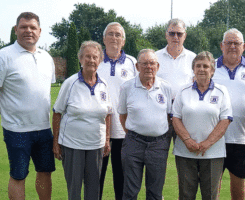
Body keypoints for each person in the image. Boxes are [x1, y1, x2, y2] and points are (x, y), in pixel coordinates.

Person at [0, 12, 55, 200]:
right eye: (23, 27)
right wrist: (5, 111)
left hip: (44, 128)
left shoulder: (47, 57)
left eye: (32, 27)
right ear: (16, 30)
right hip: (17, 130)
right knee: (18, 175)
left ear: (40, 31)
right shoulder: (3, 56)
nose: (28, 31)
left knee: (45, 172)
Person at [52, 41, 112, 200]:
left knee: (93, 190)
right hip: (72, 145)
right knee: (74, 189)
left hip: (96, 145)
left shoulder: (104, 84)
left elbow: (108, 114)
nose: (91, 60)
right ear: (80, 59)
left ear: (100, 60)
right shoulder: (70, 83)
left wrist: (106, 140)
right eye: (87, 56)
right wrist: (56, 142)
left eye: (95, 57)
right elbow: (57, 112)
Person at [172, 51, 233, 200]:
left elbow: (225, 120)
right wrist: (188, 140)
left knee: (210, 196)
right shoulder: (183, 91)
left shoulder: (221, 91)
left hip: (213, 153)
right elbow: (175, 118)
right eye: (198, 66)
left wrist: (207, 143)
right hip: (185, 152)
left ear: (212, 70)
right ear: (193, 69)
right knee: (186, 195)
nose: (201, 69)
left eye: (206, 66)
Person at [212, 28, 245, 200]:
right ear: (221, 46)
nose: (232, 46)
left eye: (236, 43)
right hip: (214, 137)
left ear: (243, 46)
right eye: (229, 43)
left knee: (239, 184)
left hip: (242, 138)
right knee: (212, 185)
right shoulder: (210, 67)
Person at [118, 49, 172, 200]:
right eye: (144, 63)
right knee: (130, 191)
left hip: (158, 145)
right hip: (133, 143)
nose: (149, 67)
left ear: (158, 66)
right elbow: (122, 115)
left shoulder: (166, 87)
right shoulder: (127, 87)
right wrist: (133, 134)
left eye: (152, 63)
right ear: (137, 66)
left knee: (155, 192)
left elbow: (168, 116)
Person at [97, 22, 137, 200]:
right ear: (104, 39)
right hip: (97, 130)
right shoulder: (94, 59)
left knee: (121, 179)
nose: (114, 38)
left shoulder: (132, 63)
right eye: (110, 34)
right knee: (96, 177)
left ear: (124, 40)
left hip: (123, 131)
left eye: (118, 35)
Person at [156, 18, 196, 98]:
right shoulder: (155, 57)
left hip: (184, 106)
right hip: (160, 105)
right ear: (166, 35)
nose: (175, 37)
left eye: (179, 34)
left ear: (185, 36)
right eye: (172, 33)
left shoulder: (193, 58)